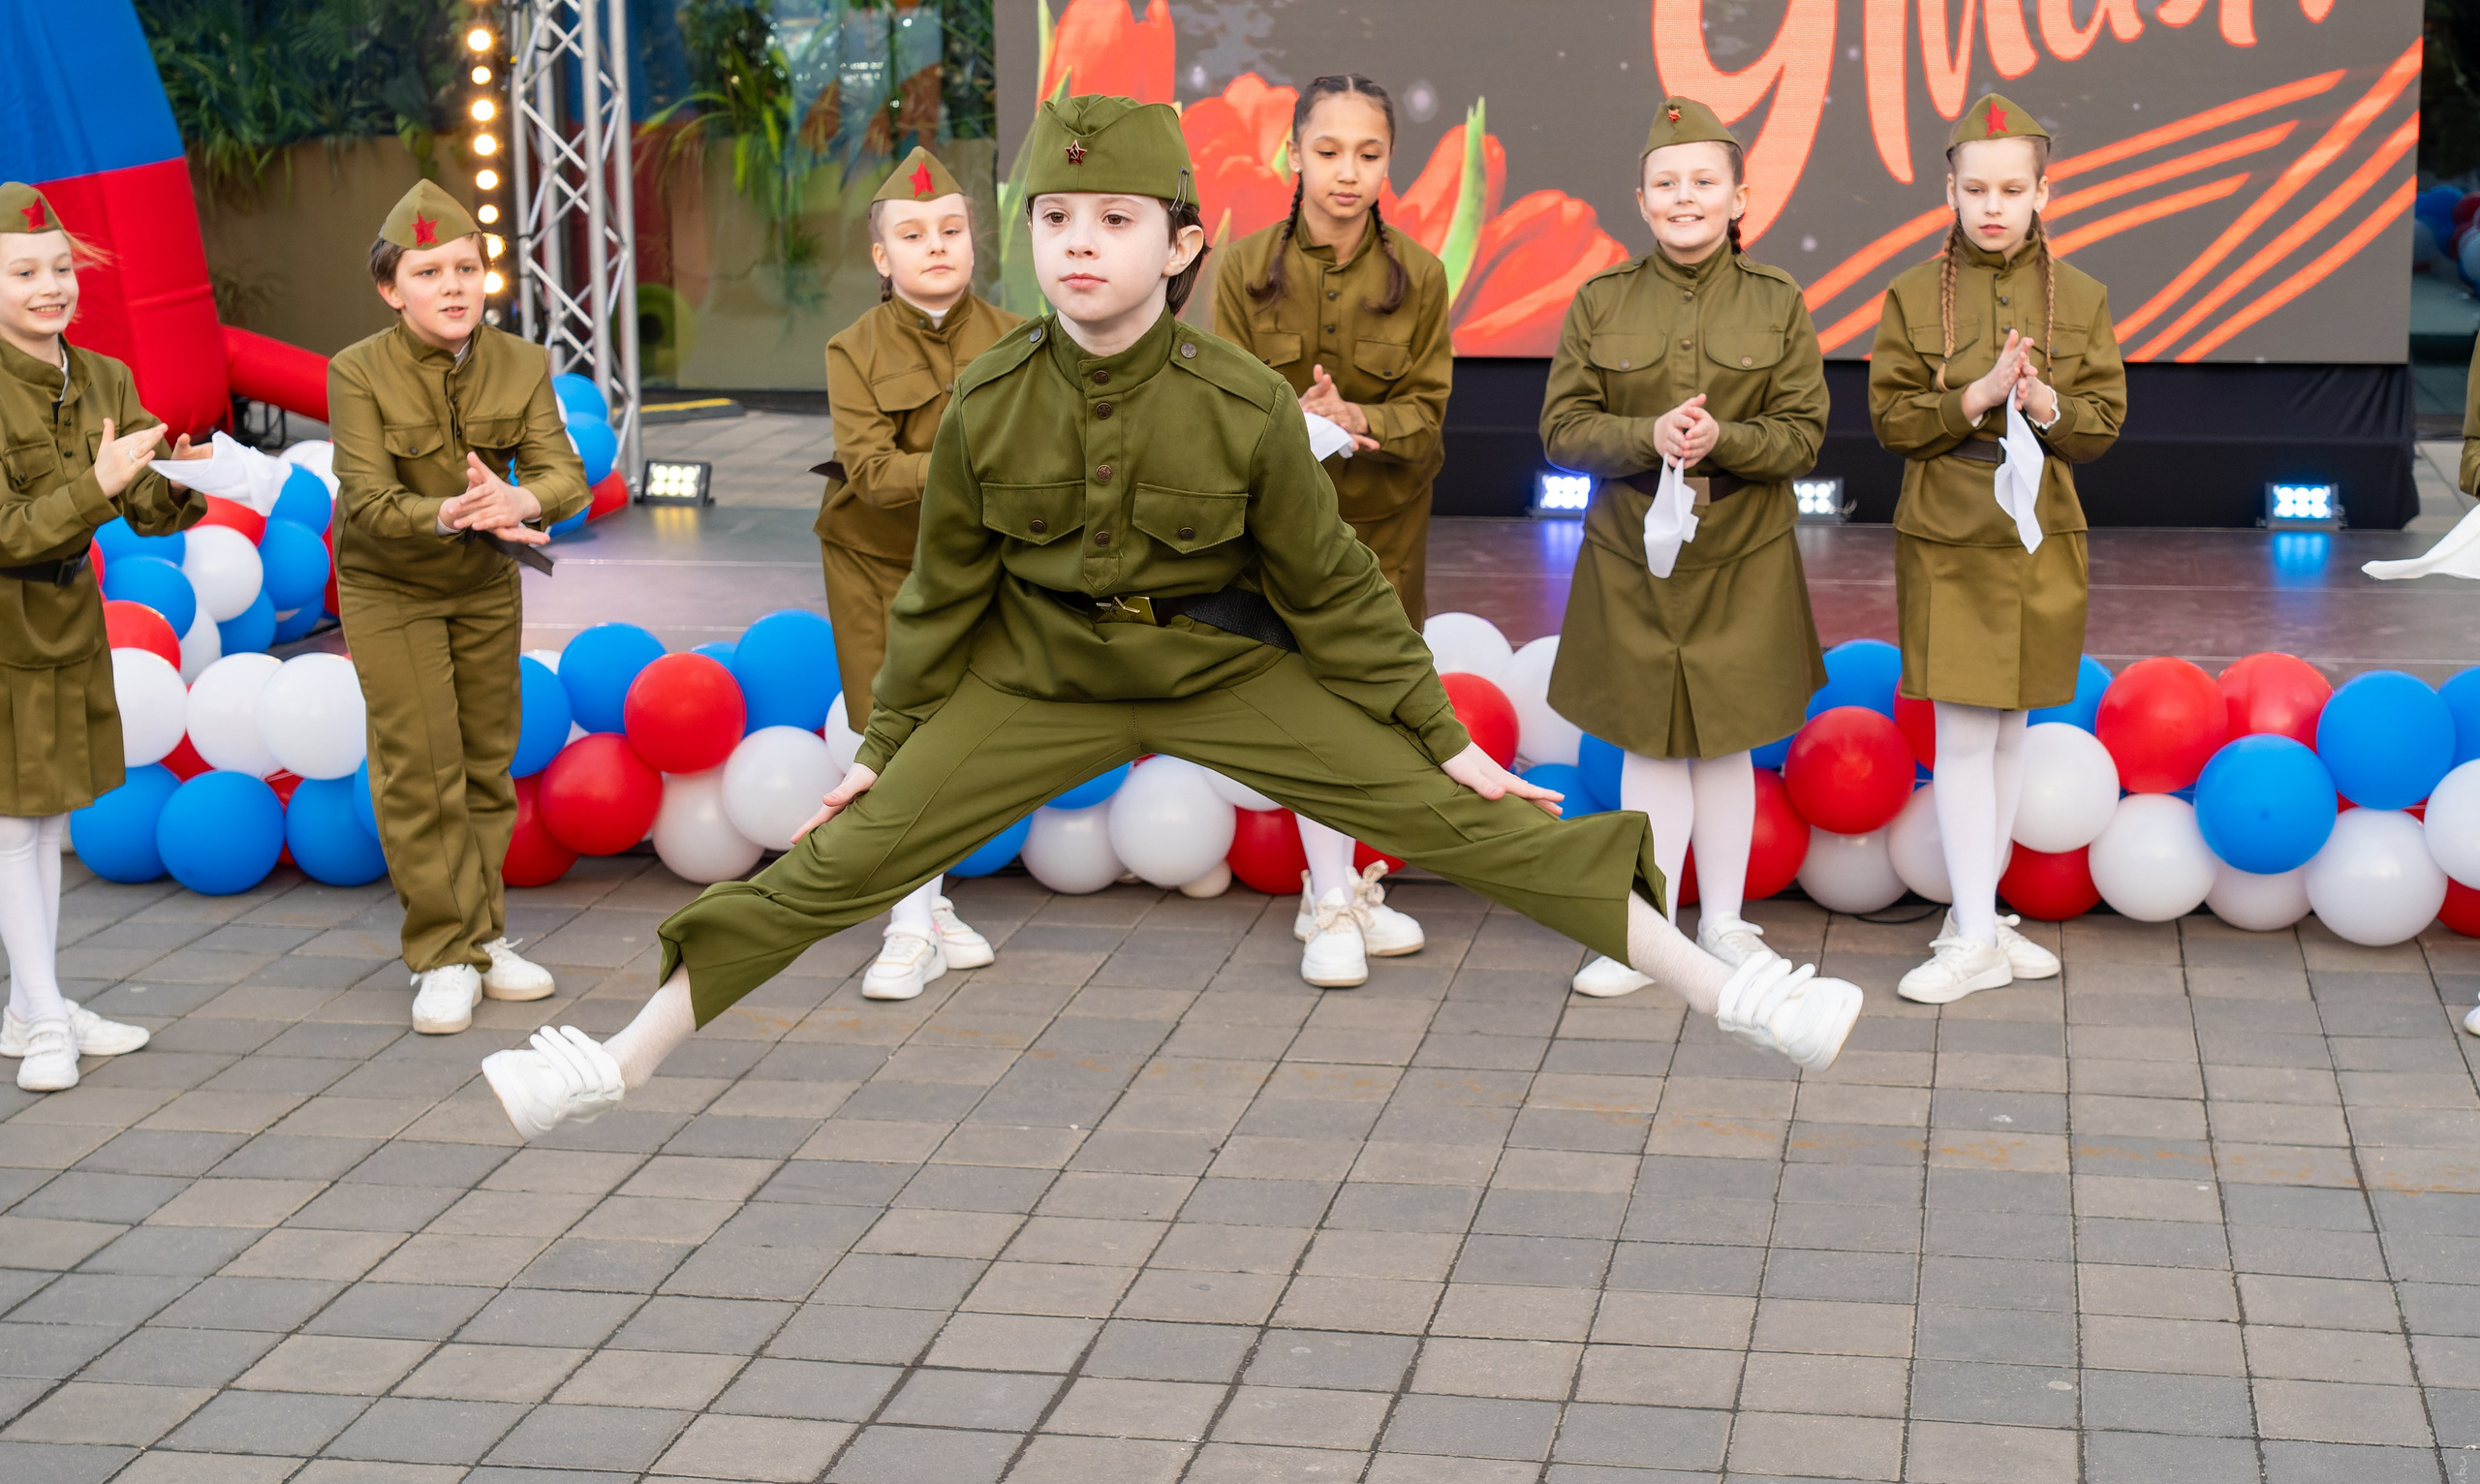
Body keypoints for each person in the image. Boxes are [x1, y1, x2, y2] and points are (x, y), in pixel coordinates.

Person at [478, 94, 1868, 1141]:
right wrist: (886, 744)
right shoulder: (988, 395)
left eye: (1118, 222)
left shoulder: (1244, 401)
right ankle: (619, 1055)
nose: (1081, 247)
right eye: (1058, 224)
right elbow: (944, 590)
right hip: (1039, 679)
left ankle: (1737, 994)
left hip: (1212, 665)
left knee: (1478, 826)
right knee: (839, 862)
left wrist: (1440, 736)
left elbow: (1332, 590)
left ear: (1182, 242)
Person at [1538, 98, 1830, 998]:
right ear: (1641, 199)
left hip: (1742, 559)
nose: (1686, 197)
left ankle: (1730, 925)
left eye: (1705, 181)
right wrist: (1648, 434)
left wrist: (1724, 443)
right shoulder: (1601, 301)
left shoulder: (1779, 302)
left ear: (1740, 196)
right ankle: (1651, 931)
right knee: (1652, 752)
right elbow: (1562, 431)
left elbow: (1804, 435)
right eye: (1667, 184)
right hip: (1635, 564)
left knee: (1728, 747)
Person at [1869, 95, 2124, 1004]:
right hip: (1950, 538)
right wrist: (1974, 394)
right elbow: (1893, 419)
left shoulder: (2084, 297)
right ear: (1949, 189)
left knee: (2013, 730)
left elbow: (2101, 425)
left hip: (2039, 539)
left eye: (2011, 187)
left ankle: (1977, 919)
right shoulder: (1908, 294)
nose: (1992, 204)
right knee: (1967, 737)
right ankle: (1974, 932)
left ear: (2043, 192)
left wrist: (2046, 402)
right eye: (1975, 187)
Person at [328, 180, 593, 1034]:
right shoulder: (356, 371)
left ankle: (485, 936)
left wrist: (522, 503)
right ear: (389, 287)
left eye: (467, 267)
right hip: (390, 586)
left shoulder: (521, 362)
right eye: (429, 270)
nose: (453, 285)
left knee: (486, 762)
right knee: (421, 765)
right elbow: (366, 500)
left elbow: (564, 473)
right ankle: (441, 952)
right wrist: (446, 511)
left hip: (484, 584)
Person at [1212, 74, 1452, 988]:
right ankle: (1332, 905)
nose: (1347, 173)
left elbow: (1428, 425)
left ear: (1390, 161)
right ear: (1292, 153)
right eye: (1328, 151)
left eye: (1369, 153)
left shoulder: (1419, 276)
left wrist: (1361, 417)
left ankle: (1347, 884)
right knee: (1312, 709)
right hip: (1282, 536)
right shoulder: (1239, 271)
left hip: (1384, 533)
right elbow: (1213, 413)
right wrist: (1288, 421)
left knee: (1372, 712)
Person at [0, 181, 204, 1092]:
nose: (52, 287)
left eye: (60, 268)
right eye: (23, 272)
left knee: (45, 821)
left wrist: (184, 472)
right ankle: (44, 1012)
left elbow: (147, 508)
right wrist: (99, 484)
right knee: (13, 825)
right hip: (5, 627)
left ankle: (29, 1004)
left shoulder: (105, 379)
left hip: (66, 623)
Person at [819, 148, 1024, 1001]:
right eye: (912, 233)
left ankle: (927, 907)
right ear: (882, 257)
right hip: (874, 563)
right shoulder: (852, 348)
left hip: (975, 567)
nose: (935, 246)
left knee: (957, 737)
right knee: (889, 737)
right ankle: (909, 927)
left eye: (950, 229)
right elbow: (872, 475)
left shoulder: (1020, 340)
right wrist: (975, 462)